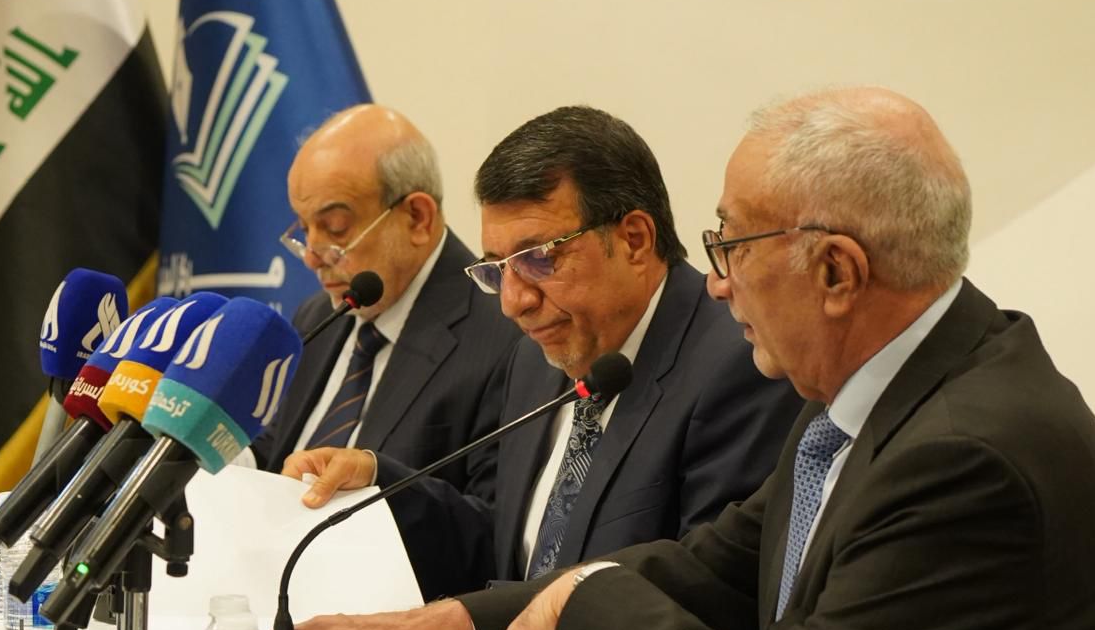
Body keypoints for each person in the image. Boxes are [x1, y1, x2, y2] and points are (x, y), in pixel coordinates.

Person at [286, 88, 1095, 630]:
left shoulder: (964, 460)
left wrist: (583, 602)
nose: (715, 282)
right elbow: (711, 567)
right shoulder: (862, 405)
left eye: (732, 246)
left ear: (836, 272)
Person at [281, 106, 803, 600]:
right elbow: (510, 554)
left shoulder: (737, 366)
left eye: (537, 260)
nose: (514, 303)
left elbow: (703, 596)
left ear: (635, 240)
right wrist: (379, 485)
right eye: (497, 269)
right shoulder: (537, 357)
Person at [246, 105, 522, 539]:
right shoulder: (318, 315)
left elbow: (493, 534)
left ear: (417, 218)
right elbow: (280, 448)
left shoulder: (507, 336)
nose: (313, 257)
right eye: (304, 229)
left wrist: (377, 477)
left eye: (336, 227)